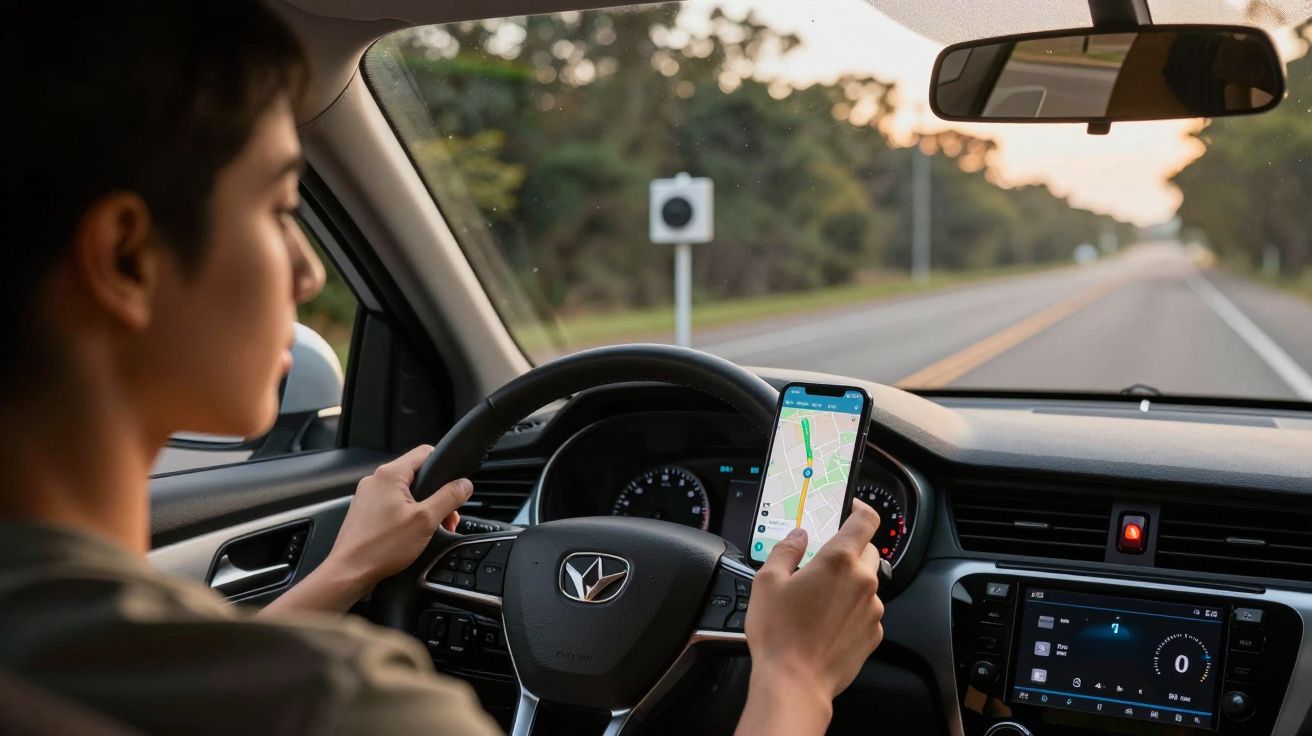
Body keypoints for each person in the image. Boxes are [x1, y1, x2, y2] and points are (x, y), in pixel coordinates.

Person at [0, 2, 886, 734]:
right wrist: (794, 675)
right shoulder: (344, 707)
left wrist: (346, 570)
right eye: (279, 208)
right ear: (126, 259)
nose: (310, 273)